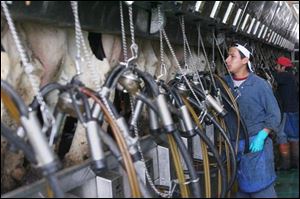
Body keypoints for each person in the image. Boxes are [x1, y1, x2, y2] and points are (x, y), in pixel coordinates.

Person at [224, 43, 281, 198]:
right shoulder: (224, 84)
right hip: (235, 145)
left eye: (232, 56)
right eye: (227, 56)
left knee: (261, 189)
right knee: (241, 189)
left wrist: (263, 135)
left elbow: (274, 114)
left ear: (245, 60)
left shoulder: (260, 85)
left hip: (256, 146)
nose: (227, 60)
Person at [273, 56, 299, 170]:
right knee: (294, 137)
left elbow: (275, 78)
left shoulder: (285, 76)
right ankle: (295, 164)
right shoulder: (292, 76)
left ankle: (285, 164)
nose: (276, 68)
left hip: (287, 112)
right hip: (293, 110)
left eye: (277, 66)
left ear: (283, 67)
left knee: (282, 136)